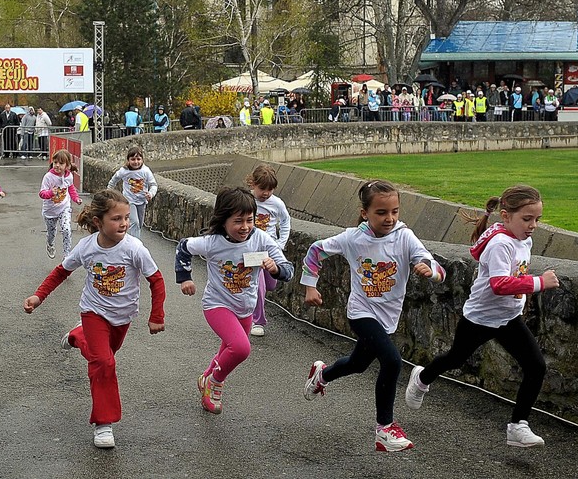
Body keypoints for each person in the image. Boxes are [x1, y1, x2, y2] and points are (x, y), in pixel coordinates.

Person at [404, 185, 559, 449]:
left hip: (509, 318)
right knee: (455, 358)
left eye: (537, 220)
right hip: (480, 318)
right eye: (527, 219)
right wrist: (538, 283)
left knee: (536, 366)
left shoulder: (524, 240)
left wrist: (522, 294)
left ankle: (517, 426)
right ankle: (421, 378)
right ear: (506, 216)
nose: (533, 225)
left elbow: (513, 277)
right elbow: (499, 284)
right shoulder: (500, 244)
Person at [301, 180, 445, 452]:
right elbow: (316, 251)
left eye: (395, 211)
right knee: (391, 361)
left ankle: (321, 376)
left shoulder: (404, 236)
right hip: (361, 312)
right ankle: (384, 429)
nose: (389, 218)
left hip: (387, 317)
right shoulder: (352, 238)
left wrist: (430, 270)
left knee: (357, 364)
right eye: (381, 212)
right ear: (365, 212)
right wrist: (310, 286)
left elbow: (429, 261)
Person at [23, 189, 166, 449]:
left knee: (104, 358)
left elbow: (156, 280)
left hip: (122, 317)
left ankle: (77, 337)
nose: (124, 223)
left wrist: (156, 315)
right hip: (93, 312)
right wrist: (38, 296)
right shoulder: (87, 247)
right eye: (116, 219)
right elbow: (60, 272)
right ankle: (104, 423)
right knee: (103, 363)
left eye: (126, 218)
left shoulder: (134, 248)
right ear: (98, 222)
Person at [176, 187, 293, 414]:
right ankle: (215, 383)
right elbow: (183, 247)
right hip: (217, 304)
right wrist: (185, 278)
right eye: (238, 221)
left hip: (245, 307)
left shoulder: (261, 239)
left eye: (250, 220)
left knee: (227, 349)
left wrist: (276, 269)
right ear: (223, 220)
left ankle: (207, 376)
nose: (245, 227)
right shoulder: (212, 242)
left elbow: (288, 269)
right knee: (240, 348)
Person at [246, 164, 290, 337]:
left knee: (271, 284)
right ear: (253, 184)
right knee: (258, 285)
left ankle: (245, 308)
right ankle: (258, 321)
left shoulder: (277, 203)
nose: (266, 193)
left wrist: (281, 243)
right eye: (262, 188)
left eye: (270, 189)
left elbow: (285, 222)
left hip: (270, 248)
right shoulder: (246, 201)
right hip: (251, 249)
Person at [40, 149, 83, 259]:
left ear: (67, 165)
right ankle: (50, 244)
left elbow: (71, 188)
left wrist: (76, 198)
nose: (57, 165)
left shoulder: (69, 176)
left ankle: (67, 255)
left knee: (67, 229)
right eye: (55, 162)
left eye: (61, 163)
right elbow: (42, 193)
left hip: (64, 207)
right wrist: (50, 193)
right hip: (50, 210)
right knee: (51, 233)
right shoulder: (48, 177)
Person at [107, 147, 157, 240]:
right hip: (129, 200)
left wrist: (150, 194)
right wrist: (109, 193)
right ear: (128, 160)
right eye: (133, 159)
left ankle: (128, 239)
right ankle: (135, 245)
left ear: (142, 160)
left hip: (141, 201)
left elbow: (153, 185)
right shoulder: (124, 171)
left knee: (140, 224)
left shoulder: (146, 171)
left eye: (138, 159)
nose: (136, 162)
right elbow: (113, 181)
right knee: (135, 222)